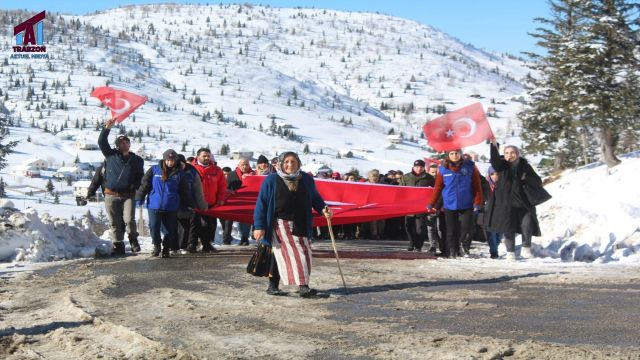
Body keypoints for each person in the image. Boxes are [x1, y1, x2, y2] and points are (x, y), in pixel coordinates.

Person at [253, 151, 331, 297]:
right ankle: (273, 285)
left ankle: (303, 286)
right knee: (278, 255)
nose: (290, 165)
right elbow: (261, 204)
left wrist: (323, 209)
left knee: (303, 253)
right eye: (286, 162)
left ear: (298, 163)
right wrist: (259, 226)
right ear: (281, 164)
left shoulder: (306, 179)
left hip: (300, 221)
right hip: (278, 224)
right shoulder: (271, 180)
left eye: (293, 162)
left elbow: (315, 197)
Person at [486, 139, 542, 261]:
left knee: (527, 224)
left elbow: (538, 181)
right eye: (506, 153)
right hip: (506, 203)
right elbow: (494, 161)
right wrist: (494, 146)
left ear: (518, 154)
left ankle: (526, 248)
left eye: (512, 152)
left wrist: (526, 178)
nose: (509, 155)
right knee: (508, 227)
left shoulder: (525, 166)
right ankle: (510, 252)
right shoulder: (501, 166)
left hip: (524, 202)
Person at [98, 119, 144, 255]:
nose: (124, 144)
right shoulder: (111, 155)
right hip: (111, 194)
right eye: (121, 143)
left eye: (126, 142)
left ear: (129, 144)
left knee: (129, 219)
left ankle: (133, 239)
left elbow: (140, 177)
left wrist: (134, 186)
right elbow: (101, 142)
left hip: (128, 195)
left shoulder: (137, 160)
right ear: (117, 146)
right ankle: (118, 244)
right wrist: (107, 128)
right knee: (115, 222)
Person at [136, 149, 193, 258]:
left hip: (171, 206)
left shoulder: (179, 173)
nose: (170, 162)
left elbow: (184, 190)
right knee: (154, 227)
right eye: (168, 160)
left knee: (169, 230)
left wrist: (189, 204)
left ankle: (166, 248)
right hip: (154, 205)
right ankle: (157, 246)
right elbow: (145, 185)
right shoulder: (154, 170)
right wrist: (140, 197)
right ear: (164, 159)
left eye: (172, 160)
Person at [427, 149, 483, 258]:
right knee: (451, 230)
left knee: (465, 228)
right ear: (448, 155)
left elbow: (477, 185)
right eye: (451, 153)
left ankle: (459, 246)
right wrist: (432, 203)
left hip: (466, 203)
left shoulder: (470, 166)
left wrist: (478, 202)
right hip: (449, 203)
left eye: (456, 153)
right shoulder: (443, 168)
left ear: (460, 154)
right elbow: (438, 187)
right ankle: (452, 251)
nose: (454, 155)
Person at [188, 148, 227, 253]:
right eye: (204, 156)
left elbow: (222, 186)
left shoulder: (217, 170)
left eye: (208, 156)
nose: (206, 158)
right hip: (195, 202)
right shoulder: (191, 168)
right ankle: (192, 244)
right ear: (198, 156)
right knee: (194, 224)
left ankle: (207, 244)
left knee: (210, 225)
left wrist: (220, 200)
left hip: (211, 202)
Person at [400, 160, 435, 252]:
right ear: (413, 167)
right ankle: (411, 243)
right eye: (417, 167)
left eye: (421, 167)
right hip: (409, 207)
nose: (419, 169)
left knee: (420, 228)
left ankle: (418, 245)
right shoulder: (406, 177)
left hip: (421, 207)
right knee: (409, 227)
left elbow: (434, 191)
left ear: (424, 168)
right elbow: (400, 191)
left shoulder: (429, 178)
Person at [175, 154, 207, 253]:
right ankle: (178, 246)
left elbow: (198, 190)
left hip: (191, 203)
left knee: (193, 225)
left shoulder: (192, 172)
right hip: (175, 204)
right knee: (179, 226)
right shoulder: (172, 172)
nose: (180, 166)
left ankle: (191, 244)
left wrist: (202, 206)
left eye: (181, 163)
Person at [223, 158, 255, 245]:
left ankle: (244, 239)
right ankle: (226, 238)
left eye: (246, 164)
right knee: (229, 220)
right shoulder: (232, 174)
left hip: (248, 202)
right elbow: (226, 187)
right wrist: (230, 191)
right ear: (238, 165)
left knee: (245, 221)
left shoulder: (253, 174)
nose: (245, 166)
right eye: (242, 165)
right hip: (234, 201)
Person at [482, 166, 503, 259]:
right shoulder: (486, 185)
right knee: (491, 233)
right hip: (488, 212)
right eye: (492, 174)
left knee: (499, 235)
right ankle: (494, 252)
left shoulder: (505, 185)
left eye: (497, 173)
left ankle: (495, 247)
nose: (495, 176)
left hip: (501, 213)